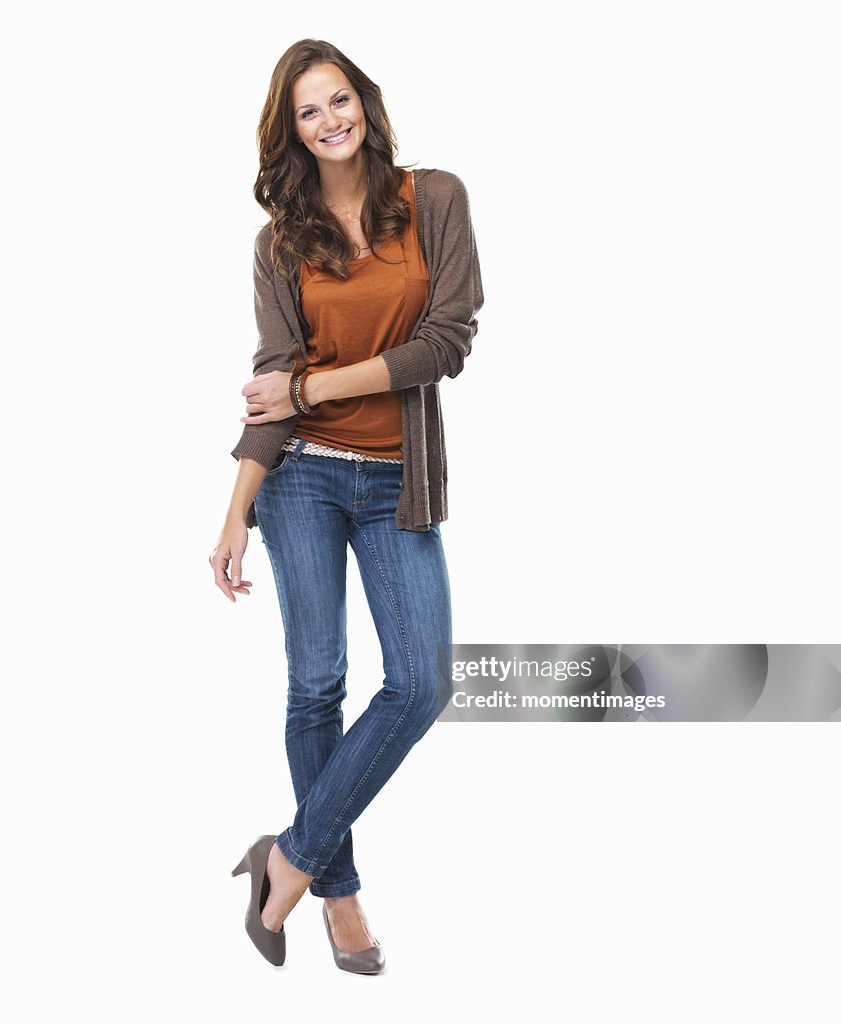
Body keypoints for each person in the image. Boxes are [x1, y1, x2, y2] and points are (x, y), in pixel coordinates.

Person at [211, 38, 483, 973]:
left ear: (364, 100)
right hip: (300, 484)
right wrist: (234, 512)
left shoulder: (433, 198)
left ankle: (285, 858)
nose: (330, 121)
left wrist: (317, 392)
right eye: (307, 112)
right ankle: (340, 896)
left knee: (420, 683)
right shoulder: (280, 241)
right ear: (290, 132)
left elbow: (446, 341)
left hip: (393, 477)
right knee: (317, 681)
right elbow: (271, 383)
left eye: (339, 100)